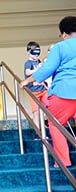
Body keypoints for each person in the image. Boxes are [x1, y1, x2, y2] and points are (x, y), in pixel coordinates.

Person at [21, 16, 76, 168]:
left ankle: (63, 160)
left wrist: (27, 81)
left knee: (55, 123)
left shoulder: (60, 47)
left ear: (64, 34)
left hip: (64, 93)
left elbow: (48, 68)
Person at [24, 41, 49, 135]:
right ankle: (38, 132)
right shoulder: (28, 63)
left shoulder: (38, 61)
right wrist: (37, 69)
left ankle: (46, 121)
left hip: (42, 89)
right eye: (34, 52)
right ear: (29, 52)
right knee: (36, 113)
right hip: (33, 92)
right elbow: (27, 73)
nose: (36, 55)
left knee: (49, 107)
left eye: (38, 52)